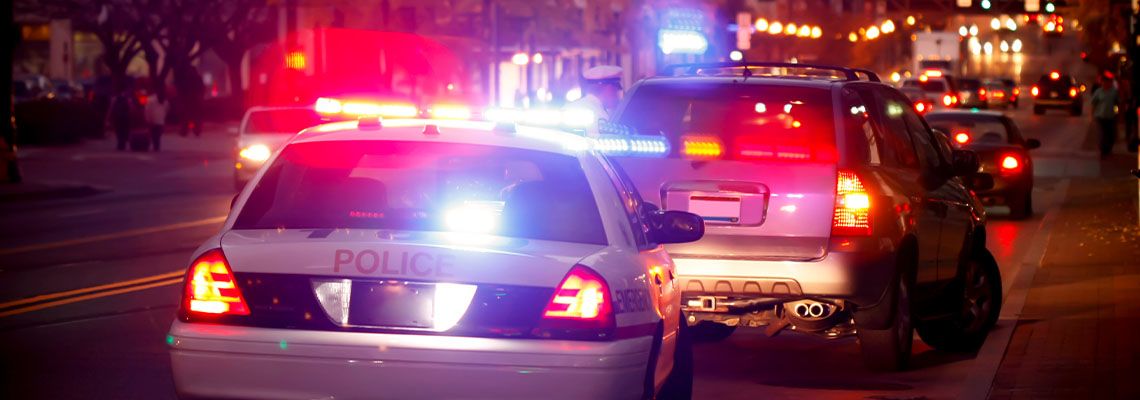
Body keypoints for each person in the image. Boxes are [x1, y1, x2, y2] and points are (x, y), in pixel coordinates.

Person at [564, 65, 623, 137]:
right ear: (608, 88)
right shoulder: (595, 112)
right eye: (616, 88)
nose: (617, 93)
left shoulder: (570, 106)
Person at [1091, 74, 1120, 159]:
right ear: (1102, 82)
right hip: (1100, 116)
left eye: (1108, 82)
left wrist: (1118, 114)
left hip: (1110, 116)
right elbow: (1093, 104)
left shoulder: (1114, 92)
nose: (1106, 83)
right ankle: (1103, 151)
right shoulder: (1098, 92)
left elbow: (1117, 103)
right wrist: (1092, 115)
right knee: (1102, 134)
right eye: (1104, 82)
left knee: (1111, 134)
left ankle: (1109, 149)